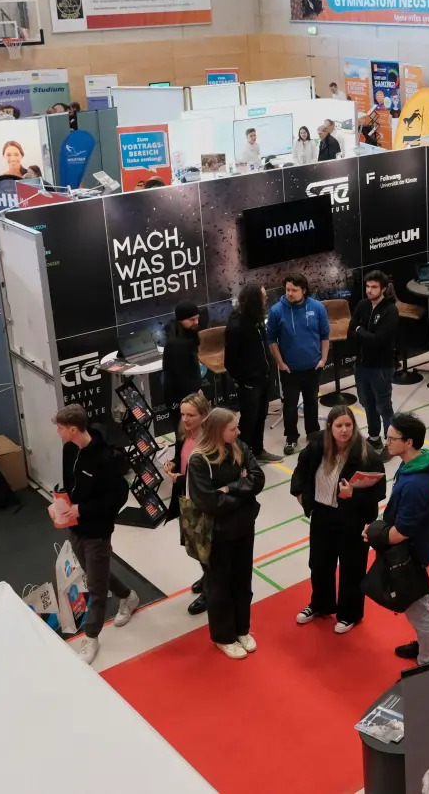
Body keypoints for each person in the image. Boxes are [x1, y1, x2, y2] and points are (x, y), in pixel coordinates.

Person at [54, 404, 138, 664]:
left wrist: (84, 509)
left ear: (72, 429)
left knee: (96, 586)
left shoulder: (104, 458)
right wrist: (60, 504)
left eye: (59, 428)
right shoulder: (69, 449)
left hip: (98, 529)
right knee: (95, 571)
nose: (57, 432)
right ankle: (128, 595)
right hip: (75, 525)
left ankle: (91, 637)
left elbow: (117, 496)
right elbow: (70, 484)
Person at [292, 406, 385, 634]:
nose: (344, 430)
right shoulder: (317, 446)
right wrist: (299, 492)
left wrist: (354, 494)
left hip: (352, 519)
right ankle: (320, 604)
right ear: (330, 427)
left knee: (352, 568)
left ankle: (349, 613)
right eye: (339, 425)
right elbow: (301, 469)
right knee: (319, 564)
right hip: (323, 515)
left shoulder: (366, 454)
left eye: (348, 425)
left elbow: (379, 491)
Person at [188, 407, 266, 660]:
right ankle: (223, 636)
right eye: (233, 428)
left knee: (243, 581)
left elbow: (258, 478)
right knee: (220, 586)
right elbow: (209, 503)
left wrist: (229, 489)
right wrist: (242, 496)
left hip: (244, 528)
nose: (238, 431)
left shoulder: (239, 446)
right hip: (218, 535)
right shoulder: (199, 460)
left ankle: (242, 628)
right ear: (219, 431)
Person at [378, 412, 429, 665]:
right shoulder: (413, 464)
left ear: (409, 443)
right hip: (419, 548)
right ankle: (427, 647)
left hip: (411, 553)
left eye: (392, 439)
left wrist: (374, 534)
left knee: (419, 610)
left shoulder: (416, 484)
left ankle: (428, 660)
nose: (387, 443)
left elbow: (401, 532)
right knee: (423, 600)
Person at [267, 273, 330, 455]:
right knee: (290, 406)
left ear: (304, 290)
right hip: (290, 370)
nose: (290, 293)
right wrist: (280, 363)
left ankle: (313, 433)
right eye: (287, 290)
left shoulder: (317, 307)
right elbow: (271, 340)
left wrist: (323, 359)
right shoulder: (277, 311)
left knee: (312, 402)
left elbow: (325, 335)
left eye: (294, 290)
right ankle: (291, 438)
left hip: (313, 366)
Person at [163, 391, 213, 616]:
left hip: (203, 503)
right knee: (195, 547)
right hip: (186, 501)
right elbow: (181, 458)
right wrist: (173, 464)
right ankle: (206, 577)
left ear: (204, 415)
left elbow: (207, 477)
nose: (185, 419)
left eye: (191, 415)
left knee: (207, 550)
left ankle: (211, 592)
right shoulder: (184, 435)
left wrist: (181, 478)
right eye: (183, 414)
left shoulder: (211, 440)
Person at [224, 283, 278, 463]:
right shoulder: (236, 326)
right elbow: (230, 362)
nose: (266, 299)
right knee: (247, 422)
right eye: (263, 296)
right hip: (249, 384)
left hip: (263, 379)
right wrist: (244, 381)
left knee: (261, 416)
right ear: (255, 300)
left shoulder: (256, 318)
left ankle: (258, 450)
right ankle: (242, 459)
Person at [350, 270, 399, 448]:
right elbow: (350, 331)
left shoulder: (390, 311)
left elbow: (379, 341)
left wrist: (360, 331)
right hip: (361, 365)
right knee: (367, 404)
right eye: (368, 286)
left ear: (383, 289)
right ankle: (374, 437)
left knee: (383, 406)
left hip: (381, 368)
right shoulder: (362, 305)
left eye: (374, 287)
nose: (369, 290)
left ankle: (390, 442)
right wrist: (362, 333)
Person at [161, 301, 204, 427]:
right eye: (191, 319)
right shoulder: (175, 345)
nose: (196, 322)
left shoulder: (188, 335)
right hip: (181, 399)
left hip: (190, 395)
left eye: (197, 318)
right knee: (184, 435)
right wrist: (195, 396)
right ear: (181, 320)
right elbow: (179, 377)